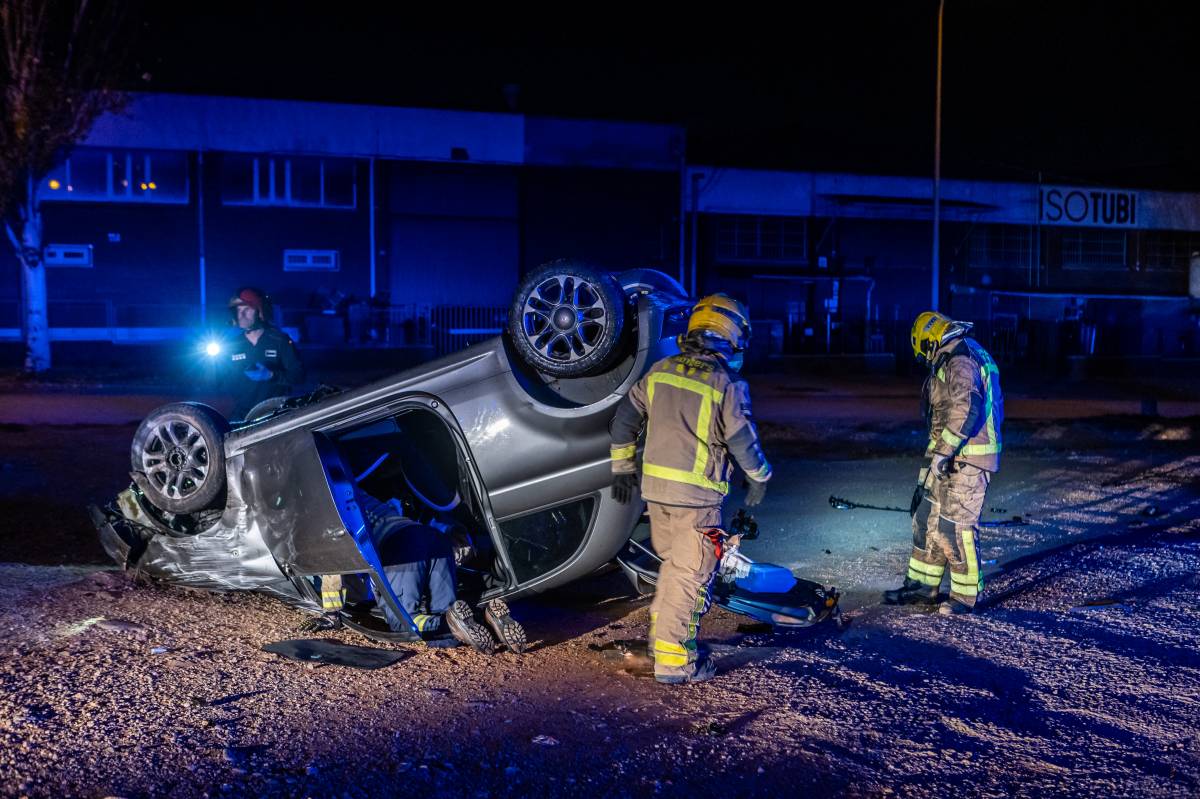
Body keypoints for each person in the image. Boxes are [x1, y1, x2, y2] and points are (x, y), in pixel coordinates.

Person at [609, 293, 771, 684]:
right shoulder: (725, 383)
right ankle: (676, 663)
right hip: (696, 501)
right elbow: (742, 440)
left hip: (657, 496)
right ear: (731, 336)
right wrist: (760, 476)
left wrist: (622, 466)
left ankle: (662, 645)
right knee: (691, 577)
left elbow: (625, 418)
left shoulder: (661, 370)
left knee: (674, 572)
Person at [884, 311, 1004, 615]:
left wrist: (943, 453)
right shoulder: (955, 356)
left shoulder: (961, 358)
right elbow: (941, 419)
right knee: (926, 518)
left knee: (955, 526)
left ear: (929, 341)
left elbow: (966, 408)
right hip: (951, 455)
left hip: (968, 459)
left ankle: (965, 598)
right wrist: (930, 467)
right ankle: (923, 587)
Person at [311, 488, 527, 654]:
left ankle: (450, 624)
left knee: (404, 623)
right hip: (432, 538)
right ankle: (487, 618)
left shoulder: (322, 512)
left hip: (401, 548)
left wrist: (331, 612)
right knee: (445, 627)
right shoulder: (354, 494)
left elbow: (332, 563)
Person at [222, 287, 305, 422]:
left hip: (276, 413)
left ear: (260, 311)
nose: (241, 315)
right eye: (238, 310)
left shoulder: (280, 340)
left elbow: (299, 376)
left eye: (247, 309)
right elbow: (220, 381)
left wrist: (271, 375)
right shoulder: (232, 345)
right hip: (243, 414)